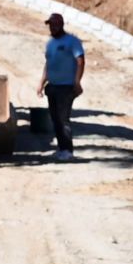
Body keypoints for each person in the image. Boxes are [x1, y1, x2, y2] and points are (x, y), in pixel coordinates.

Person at [38, 12, 85, 163]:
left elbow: (80, 61)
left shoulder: (72, 42)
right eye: (50, 25)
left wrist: (77, 81)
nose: (51, 28)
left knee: (63, 119)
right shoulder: (50, 44)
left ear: (61, 25)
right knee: (55, 119)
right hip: (52, 87)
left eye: (54, 25)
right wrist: (42, 82)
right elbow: (48, 64)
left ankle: (68, 150)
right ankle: (61, 148)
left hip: (66, 87)